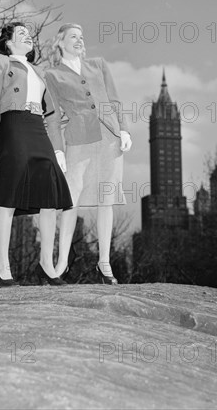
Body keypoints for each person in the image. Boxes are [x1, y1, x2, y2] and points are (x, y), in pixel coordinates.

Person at [0, 22, 73, 287]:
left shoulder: (39, 70)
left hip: (37, 128)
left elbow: (53, 114)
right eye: (21, 33)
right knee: (9, 195)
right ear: (8, 42)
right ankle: (2, 266)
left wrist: (58, 149)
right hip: (13, 126)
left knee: (49, 195)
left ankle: (47, 264)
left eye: (29, 33)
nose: (28, 36)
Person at [44, 23, 132, 284]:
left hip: (109, 139)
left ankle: (104, 265)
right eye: (74, 37)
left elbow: (115, 100)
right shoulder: (52, 75)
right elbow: (52, 117)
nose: (80, 41)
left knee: (107, 199)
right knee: (70, 200)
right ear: (60, 42)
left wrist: (124, 130)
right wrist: (58, 150)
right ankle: (60, 264)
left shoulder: (99, 65)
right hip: (78, 140)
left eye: (82, 37)